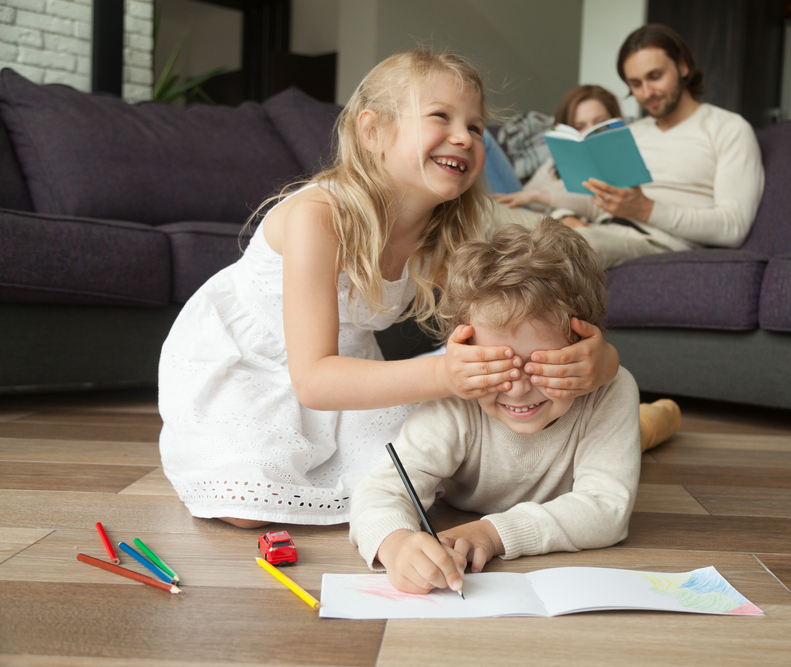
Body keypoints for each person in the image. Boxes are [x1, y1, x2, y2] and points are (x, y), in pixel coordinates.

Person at [157, 49, 622, 530]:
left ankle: (632, 430)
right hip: (256, 362)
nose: (464, 137)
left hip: (347, 369)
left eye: (477, 127)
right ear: (372, 131)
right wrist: (447, 376)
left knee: (419, 474)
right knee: (247, 507)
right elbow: (314, 380)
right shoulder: (319, 217)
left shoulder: (449, 235)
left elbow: (505, 327)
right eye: (441, 117)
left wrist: (600, 360)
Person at [349, 219, 641, 595]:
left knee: (643, 431)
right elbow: (380, 491)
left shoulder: (611, 392)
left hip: (604, 428)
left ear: (585, 348)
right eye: (497, 369)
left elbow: (607, 510)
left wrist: (493, 532)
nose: (518, 390)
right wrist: (395, 544)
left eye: (543, 366)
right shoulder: (455, 398)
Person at [503, 24, 765, 270]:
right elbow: (601, 201)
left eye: (655, 76)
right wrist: (537, 197)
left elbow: (733, 227)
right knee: (486, 217)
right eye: (636, 84)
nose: (647, 92)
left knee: (554, 246)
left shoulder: (728, 128)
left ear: (683, 66)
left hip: (652, 241)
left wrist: (646, 209)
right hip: (602, 228)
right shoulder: (631, 133)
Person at [492, 85, 622, 220]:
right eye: (579, 127)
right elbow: (523, 198)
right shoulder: (555, 165)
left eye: (600, 123)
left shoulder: (623, 162)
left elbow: (601, 205)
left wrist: (545, 197)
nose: (590, 133)